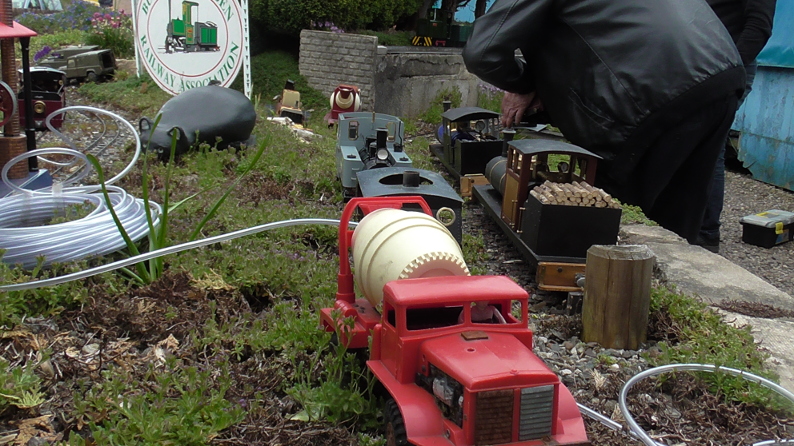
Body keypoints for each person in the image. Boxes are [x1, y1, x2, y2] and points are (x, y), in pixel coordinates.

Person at [462, 0, 747, 244]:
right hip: (721, 72)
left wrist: (524, 84)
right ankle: (672, 281)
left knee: (609, 219)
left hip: (655, 89)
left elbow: (483, 52)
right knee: (679, 226)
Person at [698, 0, 776, 253]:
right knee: (693, 145)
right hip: (701, 62)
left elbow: (759, 27)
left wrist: (729, 70)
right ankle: (691, 225)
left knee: (710, 147)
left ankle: (706, 233)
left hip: (724, 68)